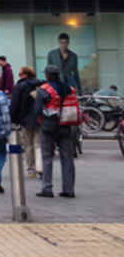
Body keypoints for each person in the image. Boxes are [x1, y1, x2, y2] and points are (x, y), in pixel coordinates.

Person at [34, 66, 75, 199]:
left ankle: (47, 188)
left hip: (48, 127)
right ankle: (68, 189)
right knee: (67, 158)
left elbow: (37, 110)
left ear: (47, 76)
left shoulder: (43, 90)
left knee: (47, 157)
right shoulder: (69, 88)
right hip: (66, 126)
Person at [9, 66, 42, 179]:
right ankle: (40, 167)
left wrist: (13, 119)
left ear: (25, 75)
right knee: (38, 144)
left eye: (20, 74)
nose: (19, 76)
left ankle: (31, 169)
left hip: (25, 120)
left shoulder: (20, 86)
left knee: (28, 145)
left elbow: (14, 105)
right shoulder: (41, 85)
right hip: (40, 119)